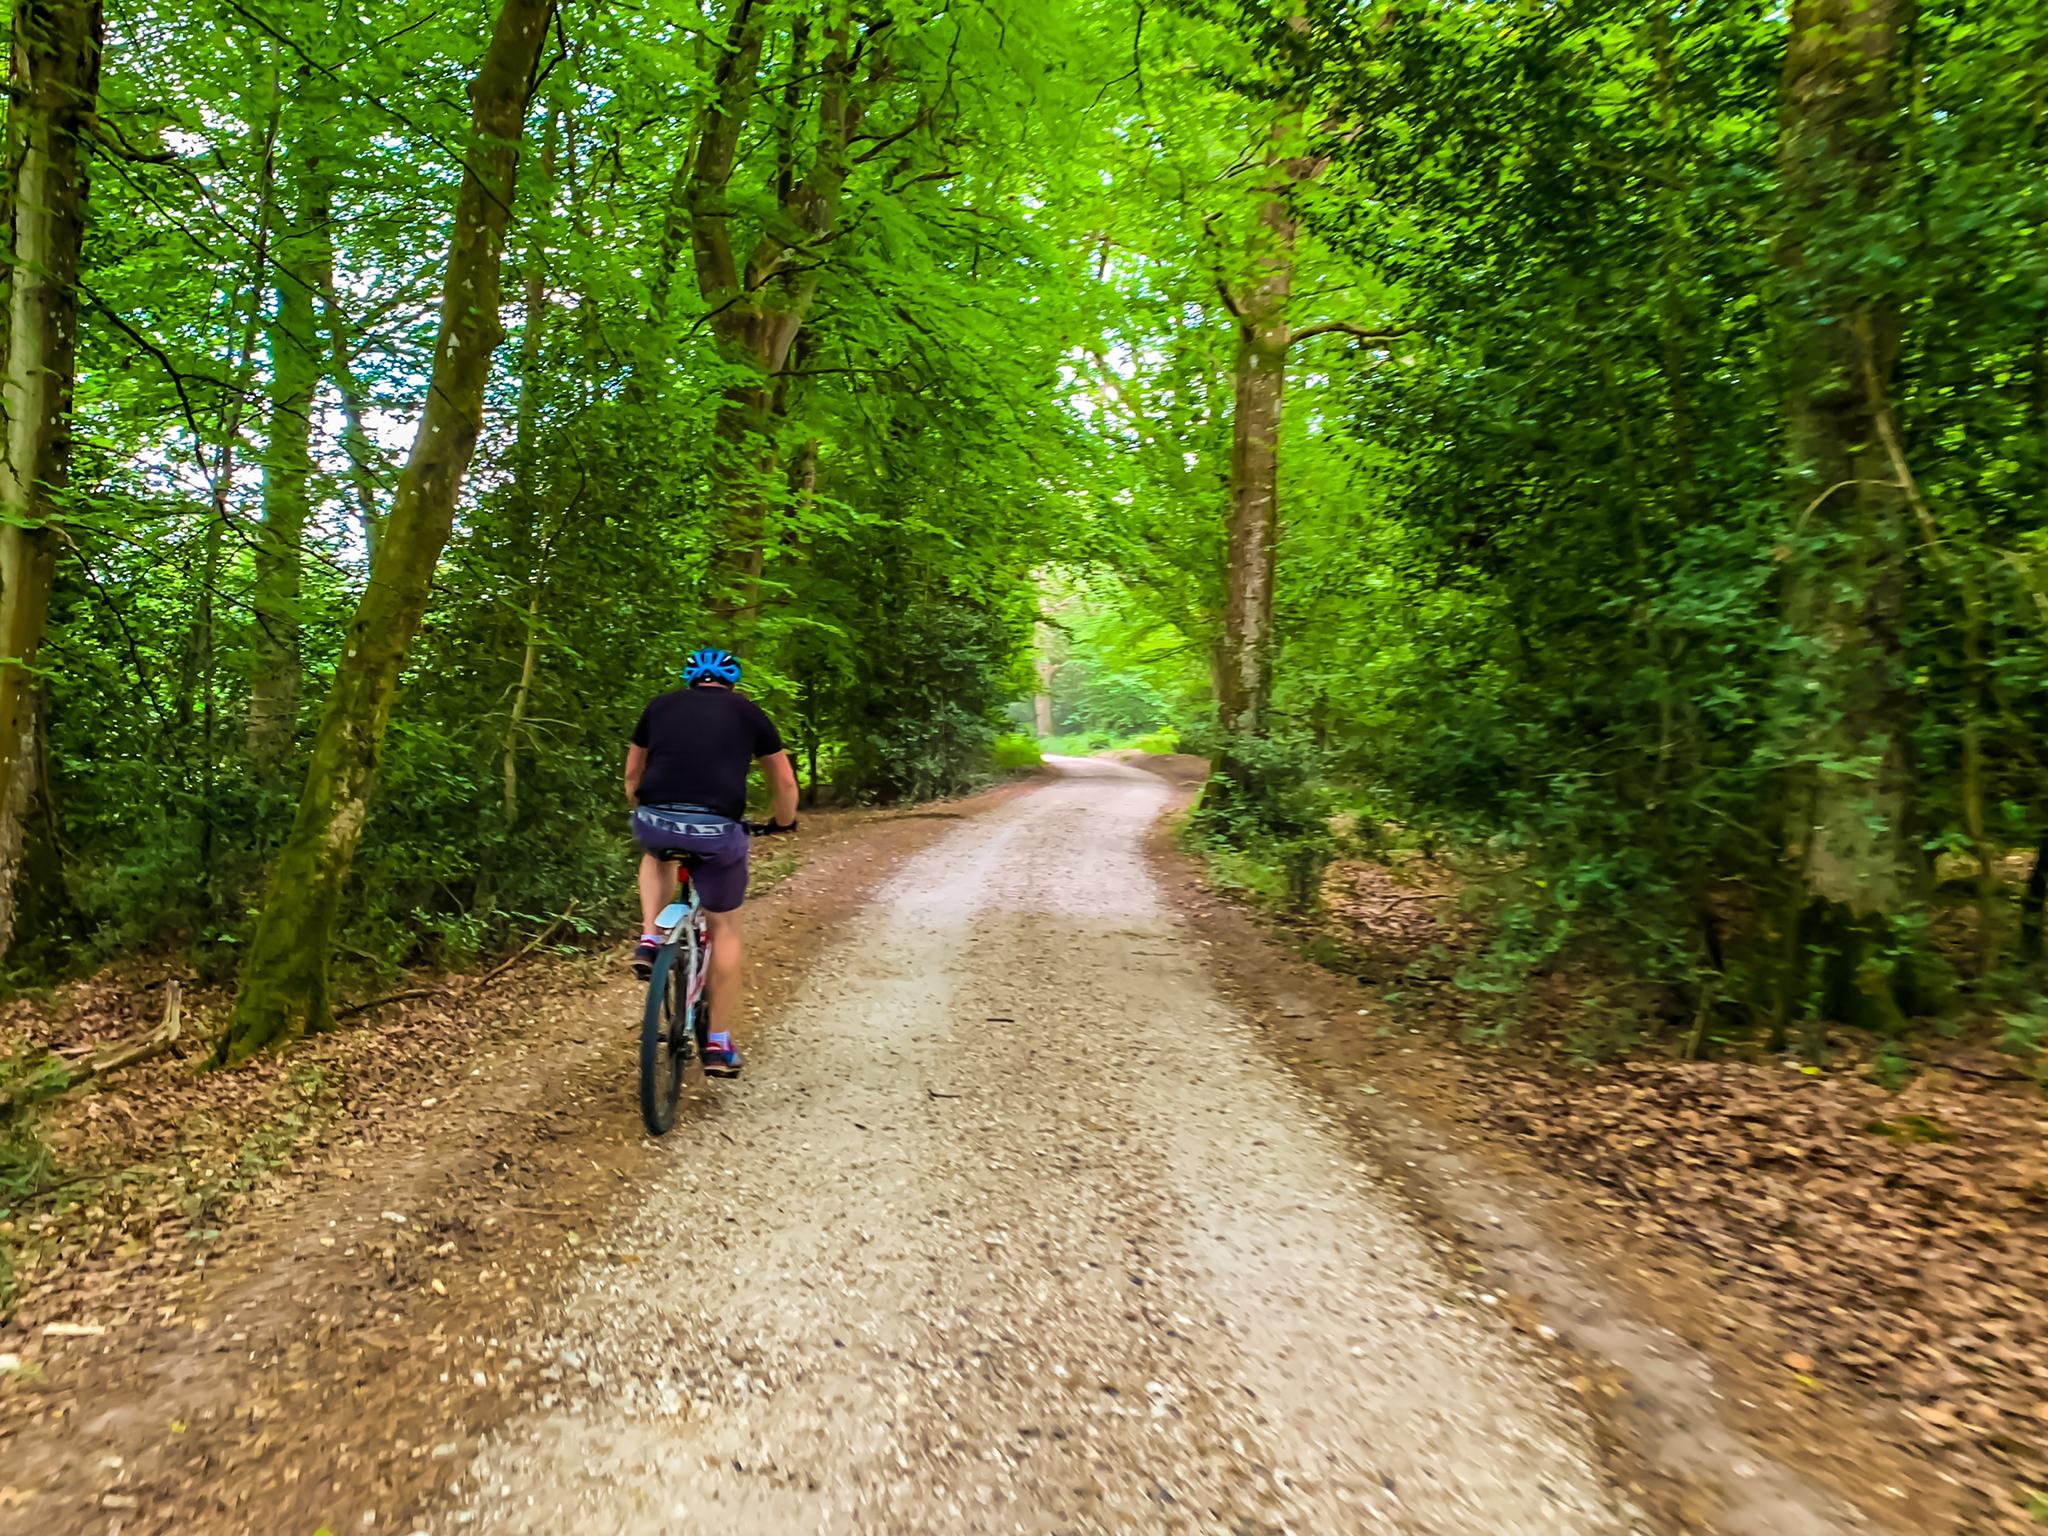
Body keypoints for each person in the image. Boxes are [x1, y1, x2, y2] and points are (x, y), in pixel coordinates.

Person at [625, 647, 798, 1077]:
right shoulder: (749, 713)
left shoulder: (659, 707)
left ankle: (649, 938)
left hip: (656, 819)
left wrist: (642, 809)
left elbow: (633, 774)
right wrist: (783, 823)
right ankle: (718, 1044)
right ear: (731, 684)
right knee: (724, 931)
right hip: (718, 832)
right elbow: (783, 779)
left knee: (655, 855)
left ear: (690, 681)